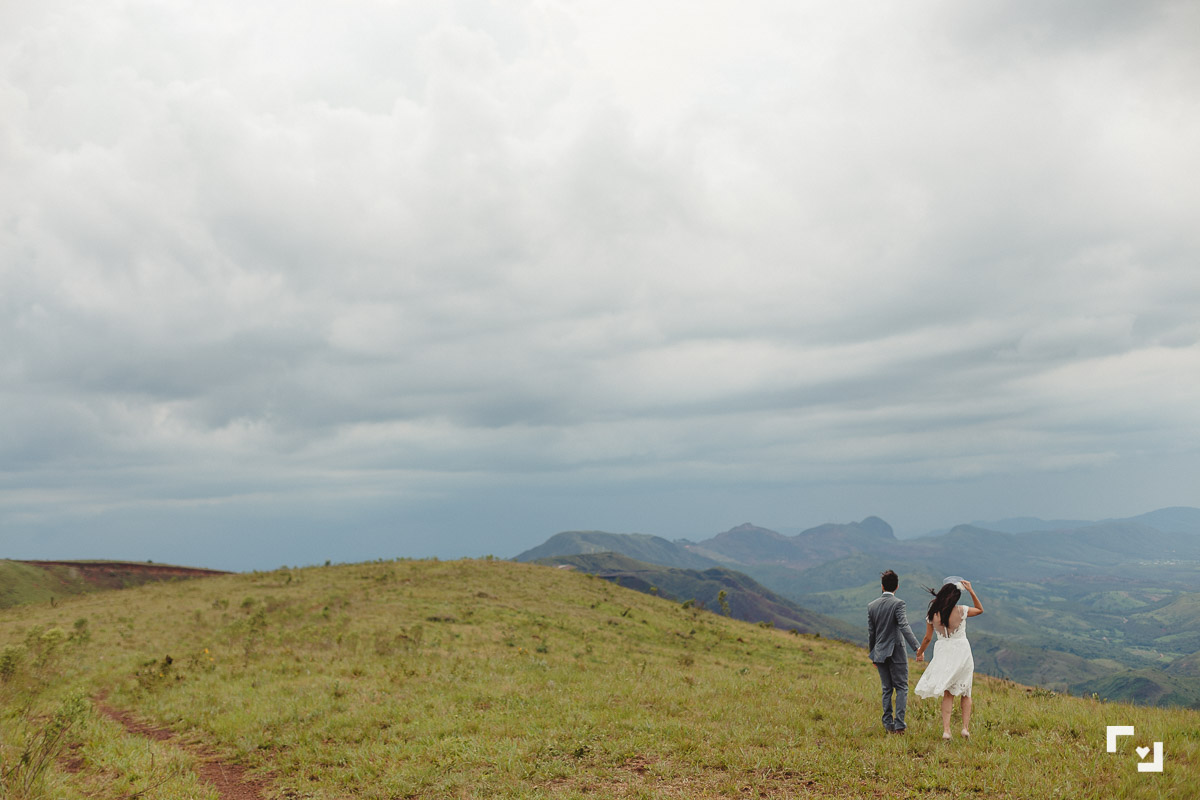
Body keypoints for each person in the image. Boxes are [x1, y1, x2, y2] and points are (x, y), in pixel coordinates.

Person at [914, 578, 984, 740]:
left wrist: (920, 653)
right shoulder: (961, 610)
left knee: (948, 693)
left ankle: (947, 731)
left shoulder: (933, 614)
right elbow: (980, 609)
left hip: (943, 651)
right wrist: (972, 591)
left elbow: (927, 638)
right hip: (962, 651)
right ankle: (965, 729)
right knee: (966, 691)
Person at [867, 569, 922, 734]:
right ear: (896, 587)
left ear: (882, 586)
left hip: (879, 652)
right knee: (902, 688)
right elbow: (904, 626)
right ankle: (899, 726)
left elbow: (872, 633)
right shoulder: (899, 604)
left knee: (886, 689)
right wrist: (917, 648)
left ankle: (887, 724)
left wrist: (873, 655)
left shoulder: (872, 606)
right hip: (897, 651)